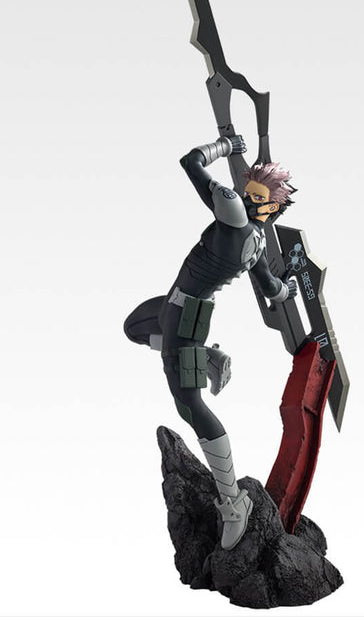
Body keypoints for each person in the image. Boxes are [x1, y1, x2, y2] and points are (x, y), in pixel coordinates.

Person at [124, 135, 296, 549]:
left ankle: (233, 500)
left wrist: (224, 145)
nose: (245, 196)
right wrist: (287, 290)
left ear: (270, 207)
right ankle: (204, 358)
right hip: (175, 304)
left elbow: (190, 161)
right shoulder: (255, 244)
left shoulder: (235, 213)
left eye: (257, 195)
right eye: (247, 190)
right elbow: (271, 288)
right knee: (134, 328)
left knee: (190, 405)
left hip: (186, 315)